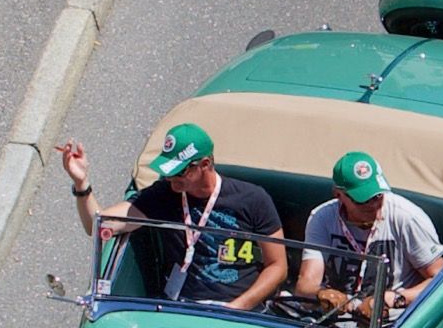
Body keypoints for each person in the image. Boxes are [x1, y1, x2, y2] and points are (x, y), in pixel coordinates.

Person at [55, 124, 285, 310]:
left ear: (205, 165)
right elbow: (99, 225)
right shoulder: (164, 194)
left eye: (180, 171)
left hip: (239, 309)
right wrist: (81, 184)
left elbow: (277, 266)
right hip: (179, 307)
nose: (171, 178)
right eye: (168, 172)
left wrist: (237, 307)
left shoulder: (253, 199)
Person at [295, 151, 443, 323]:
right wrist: (322, 294)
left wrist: (393, 299)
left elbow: (441, 278)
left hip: (392, 322)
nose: (373, 205)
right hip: (335, 318)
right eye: (363, 200)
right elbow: (306, 283)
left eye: (377, 196)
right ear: (339, 195)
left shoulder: (407, 217)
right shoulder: (321, 217)